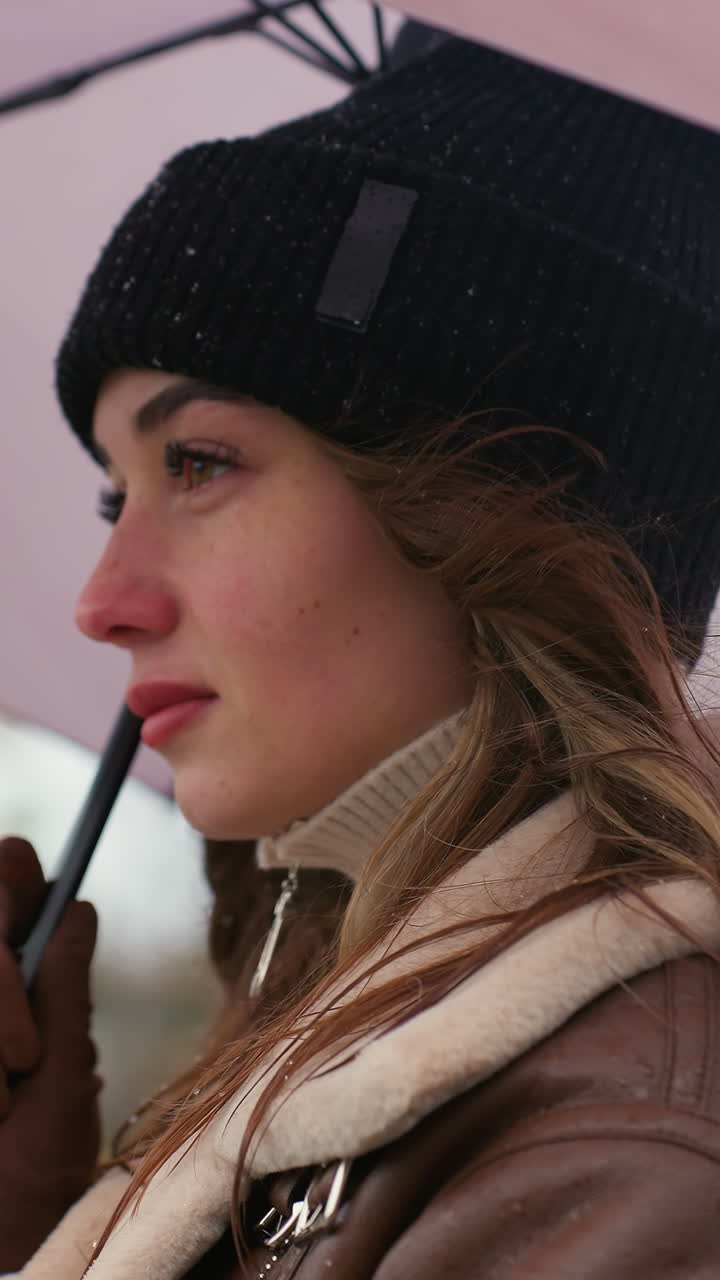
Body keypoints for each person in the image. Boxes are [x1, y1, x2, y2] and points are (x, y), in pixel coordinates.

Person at [3, 29, 720, 1279]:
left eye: (199, 462)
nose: (103, 599)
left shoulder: (631, 1150)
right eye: (118, 499)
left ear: (496, 499)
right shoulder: (343, 1071)